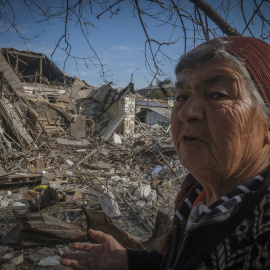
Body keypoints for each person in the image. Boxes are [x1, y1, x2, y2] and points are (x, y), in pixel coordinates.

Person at [61, 36, 270, 270]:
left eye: (218, 95)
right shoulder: (196, 196)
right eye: (181, 97)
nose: (186, 112)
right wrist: (130, 261)